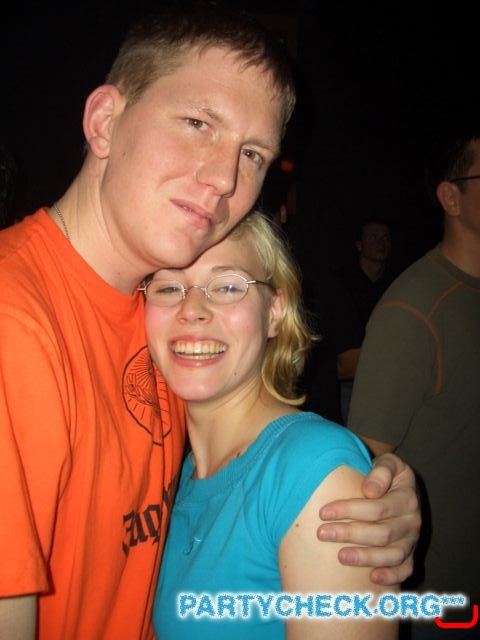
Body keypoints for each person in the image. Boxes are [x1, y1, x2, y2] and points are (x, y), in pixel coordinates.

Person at [0, 2, 419, 639]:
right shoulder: (16, 318)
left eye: (253, 154)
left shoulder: (162, 323)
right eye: (198, 122)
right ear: (105, 121)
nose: (224, 178)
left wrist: (371, 488)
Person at [146, 210, 398, 639]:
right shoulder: (179, 472)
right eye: (169, 287)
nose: (192, 310)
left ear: (275, 311)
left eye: (228, 286)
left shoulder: (316, 472)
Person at [348, 129, 480, 638]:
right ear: (451, 197)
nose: (381, 243)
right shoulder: (412, 311)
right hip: (445, 596)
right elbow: (364, 469)